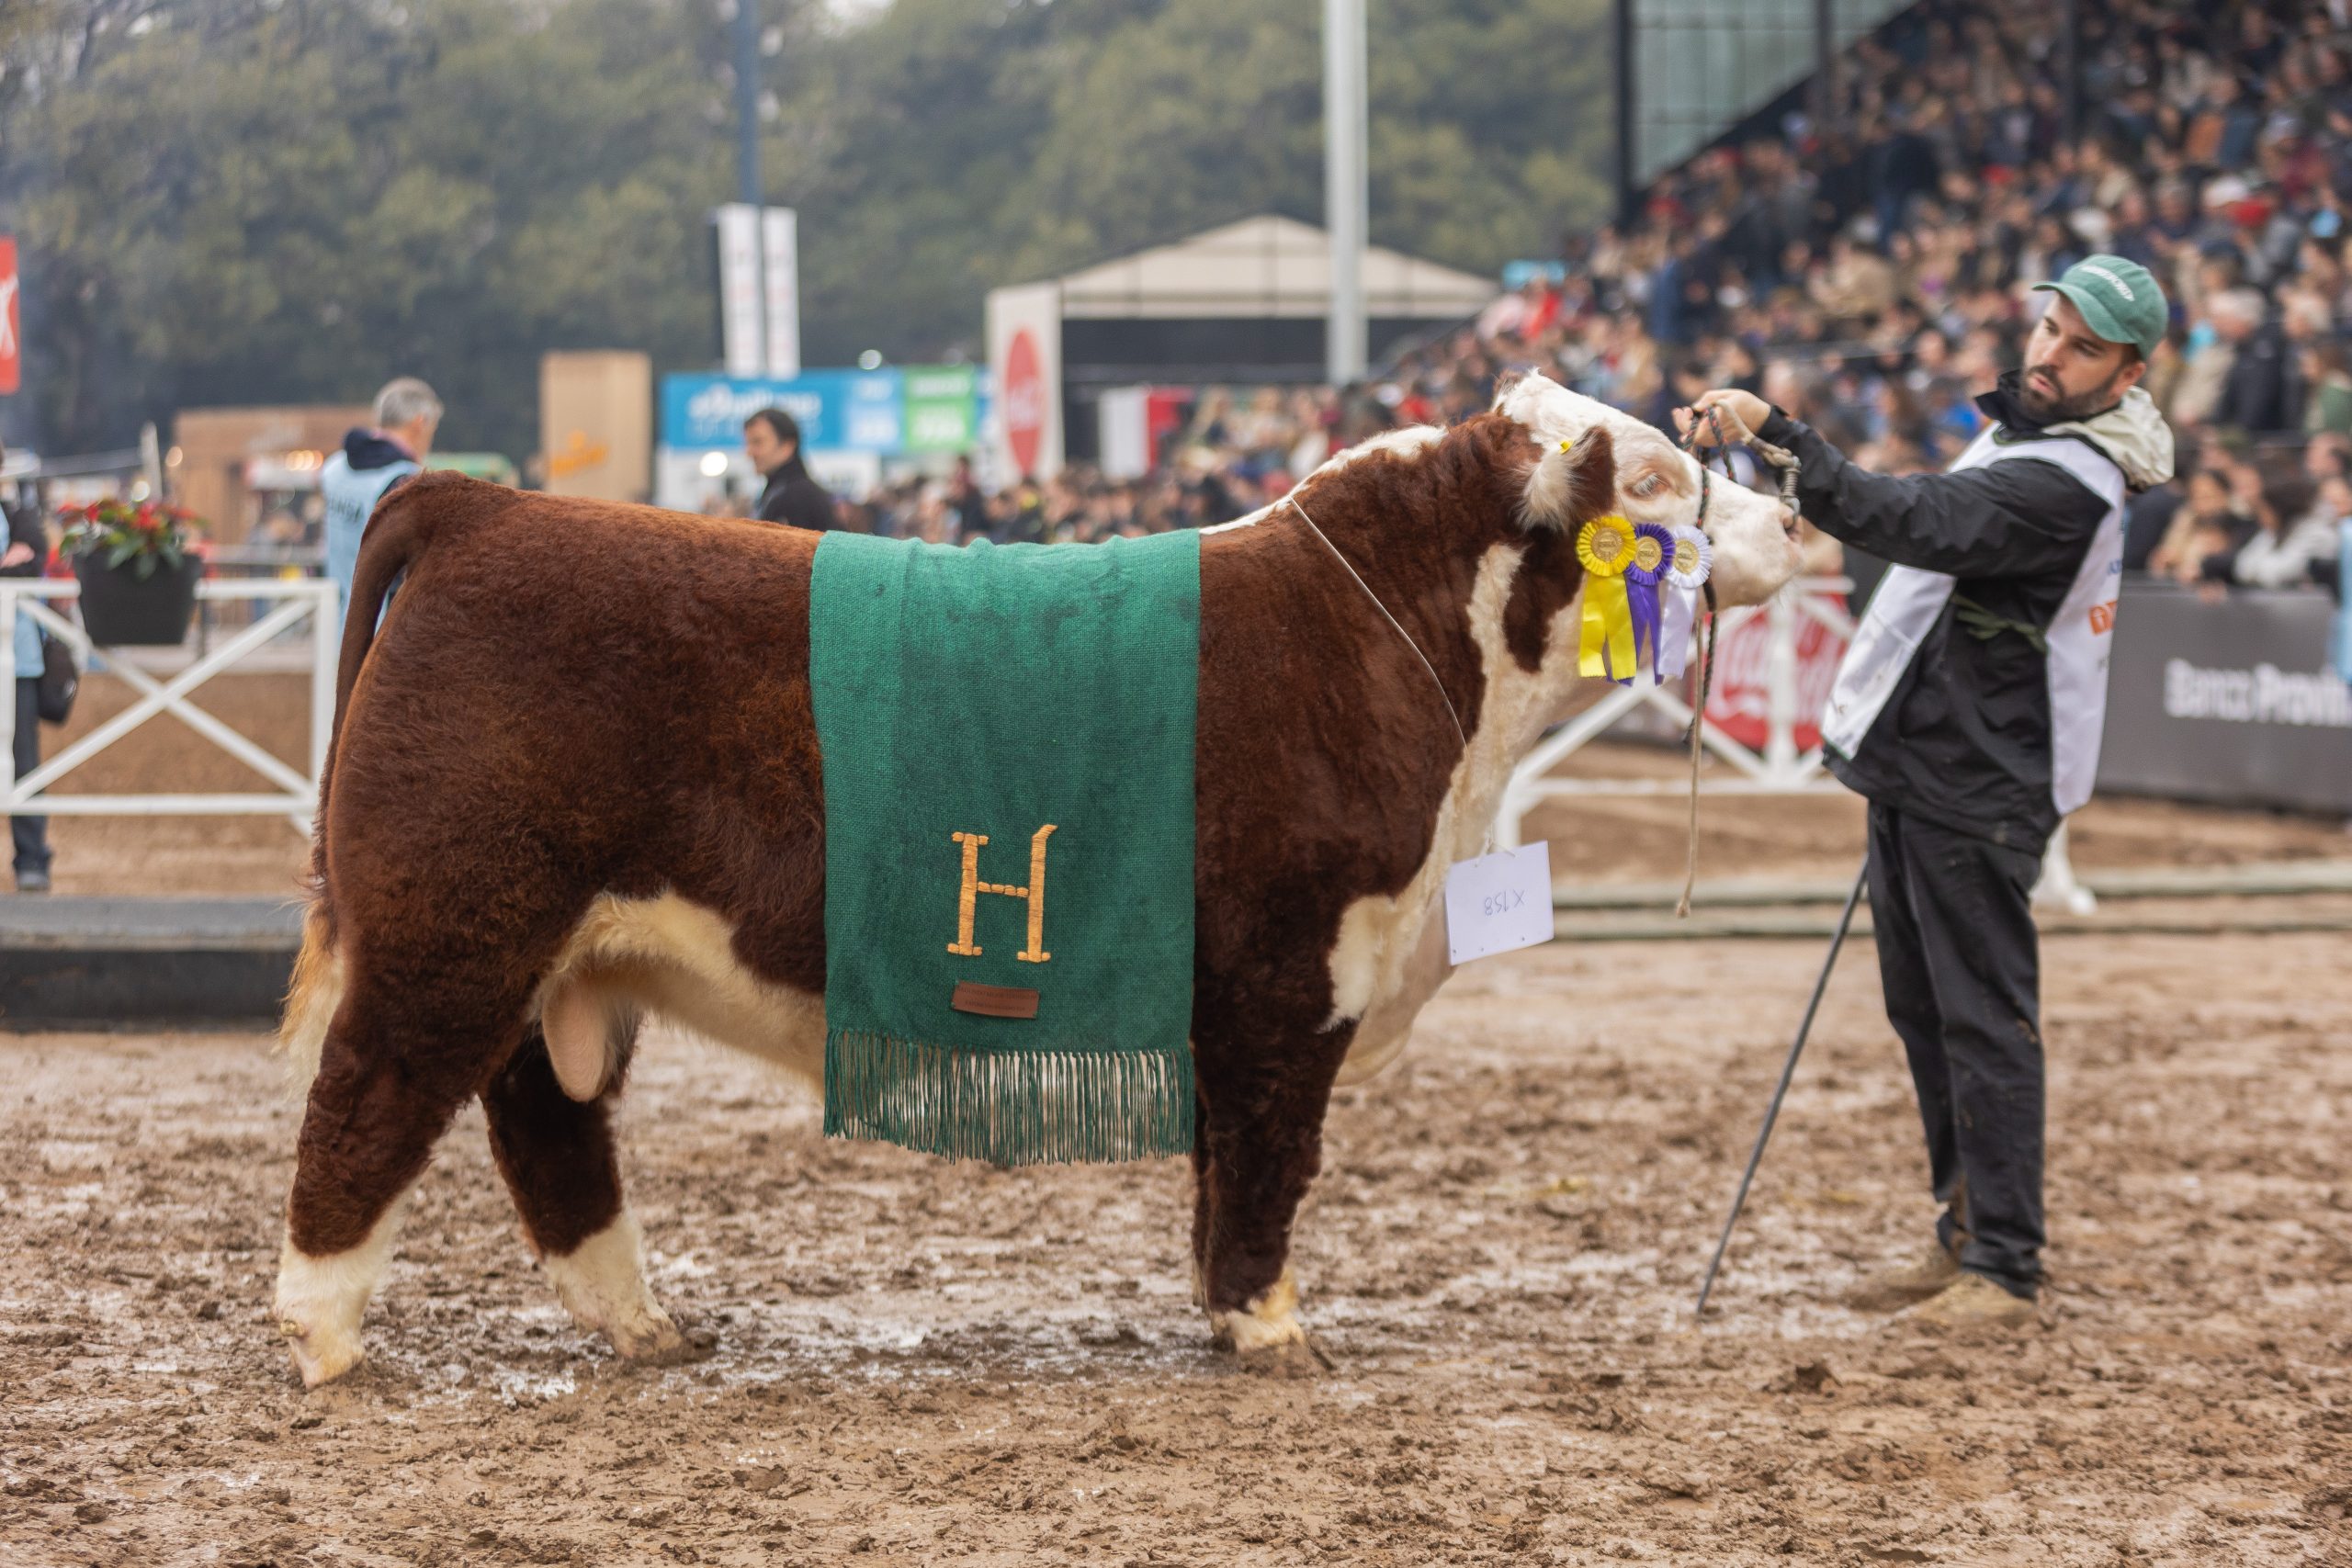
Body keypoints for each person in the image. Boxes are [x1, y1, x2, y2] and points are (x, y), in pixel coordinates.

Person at [1683, 255, 2177, 1327]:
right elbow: (1919, 550)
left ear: (2130, 371)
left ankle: (2003, 1262)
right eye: (2050, 327)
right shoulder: (2035, 438)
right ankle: (1964, 1234)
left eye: (2082, 346)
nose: (2048, 352)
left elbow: (1911, 520)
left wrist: (1782, 435)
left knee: (1982, 1020)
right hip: (1928, 759)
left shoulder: (2065, 479)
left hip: (1980, 779)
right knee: (1925, 1013)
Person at [322, 378, 438, 621]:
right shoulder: (406, 482)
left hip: (335, 621)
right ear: (420, 422)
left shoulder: (333, 468)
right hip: (380, 629)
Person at [0, 448, 51, 893]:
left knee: (25, 765)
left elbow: (34, 562)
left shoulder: (19, 516)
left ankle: (32, 857)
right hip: (18, 656)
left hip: (19, 661)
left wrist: (20, 562)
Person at [743, 409, 838, 532]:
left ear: (787, 446)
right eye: (748, 443)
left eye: (758, 442)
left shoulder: (798, 497)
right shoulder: (780, 491)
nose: (749, 452)